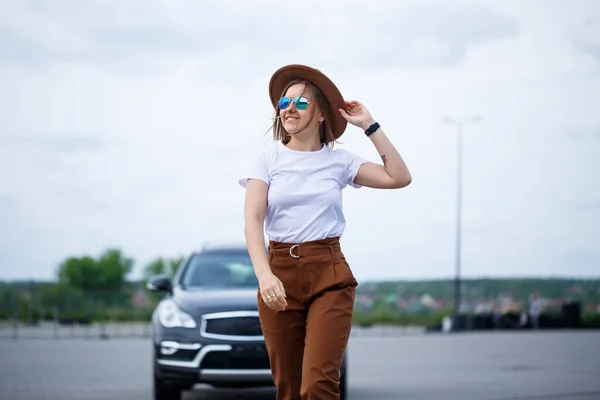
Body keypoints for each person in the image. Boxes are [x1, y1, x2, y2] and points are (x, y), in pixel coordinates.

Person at [239, 64, 412, 400]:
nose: (290, 108)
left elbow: (399, 177)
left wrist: (369, 126)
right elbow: (253, 218)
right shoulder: (266, 157)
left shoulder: (340, 161)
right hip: (278, 274)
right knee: (289, 389)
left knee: (318, 385)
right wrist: (264, 275)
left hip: (328, 273)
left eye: (301, 103)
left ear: (321, 113)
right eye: (284, 103)